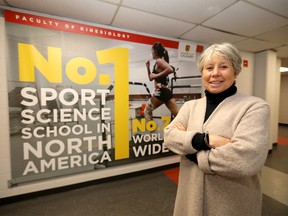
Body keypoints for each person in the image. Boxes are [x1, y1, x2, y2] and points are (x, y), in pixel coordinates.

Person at [163, 43, 270, 216]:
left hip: (231, 204)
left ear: (235, 71)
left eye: (224, 66)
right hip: (190, 199)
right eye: (209, 67)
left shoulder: (255, 107)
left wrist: (190, 151)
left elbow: (245, 160)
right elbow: (169, 137)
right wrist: (206, 140)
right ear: (202, 73)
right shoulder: (190, 106)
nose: (215, 73)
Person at [144, 42, 179, 122]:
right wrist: (148, 67)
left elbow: (170, 69)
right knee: (178, 115)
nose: (151, 53)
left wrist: (155, 76)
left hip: (161, 92)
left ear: (155, 51)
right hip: (166, 92)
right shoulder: (158, 62)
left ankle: (151, 133)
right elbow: (151, 78)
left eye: (152, 51)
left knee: (147, 111)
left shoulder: (159, 60)